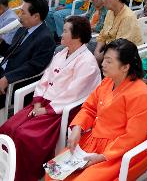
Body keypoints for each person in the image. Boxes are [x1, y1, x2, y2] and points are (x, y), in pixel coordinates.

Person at [0, 16, 101, 181]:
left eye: (66, 31)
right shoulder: (62, 53)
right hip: (43, 103)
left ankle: (21, 175)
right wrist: (38, 100)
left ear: (76, 36)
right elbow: (45, 78)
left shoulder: (87, 63)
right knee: (8, 127)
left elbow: (73, 94)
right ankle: (4, 170)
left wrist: (46, 110)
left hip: (60, 111)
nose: (61, 33)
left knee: (24, 135)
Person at [49, 38, 147, 180]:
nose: (103, 64)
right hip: (95, 140)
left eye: (109, 61)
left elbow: (133, 137)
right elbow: (89, 108)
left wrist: (102, 156)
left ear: (125, 67)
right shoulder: (108, 81)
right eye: (104, 59)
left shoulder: (142, 95)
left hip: (123, 151)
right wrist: (78, 127)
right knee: (53, 172)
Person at [0, 0, 56, 103]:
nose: (19, 15)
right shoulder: (23, 29)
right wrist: (1, 43)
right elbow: (12, 53)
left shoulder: (45, 39)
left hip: (14, 82)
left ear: (36, 16)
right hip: (5, 70)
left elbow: (33, 67)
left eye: (23, 13)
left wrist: (7, 78)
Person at [94, 0, 142, 64]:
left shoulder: (127, 17)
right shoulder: (110, 12)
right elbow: (103, 34)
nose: (103, 0)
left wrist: (100, 57)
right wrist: (97, 52)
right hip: (108, 48)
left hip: (122, 54)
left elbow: (118, 47)